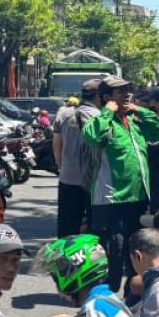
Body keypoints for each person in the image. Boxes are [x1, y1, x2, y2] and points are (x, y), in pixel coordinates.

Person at [82, 74, 159, 292]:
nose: (127, 94)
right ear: (107, 97)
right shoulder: (103, 121)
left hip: (138, 198)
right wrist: (107, 112)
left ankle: (133, 299)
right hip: (112, 200)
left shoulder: (133, 121)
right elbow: (90, 135)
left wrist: (140, 111)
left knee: (137, 254)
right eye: (120, 91)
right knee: (113, 255)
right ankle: (106, 300)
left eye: (128, 90)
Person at [53, 79, 102, 237]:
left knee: (67, 226)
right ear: (99, 96)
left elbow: (56, 145)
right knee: (95, 227)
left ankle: (66, 251)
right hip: (94, 180)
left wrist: (61, 167)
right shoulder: (101, 116)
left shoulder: (64, 114)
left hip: (68, 178)